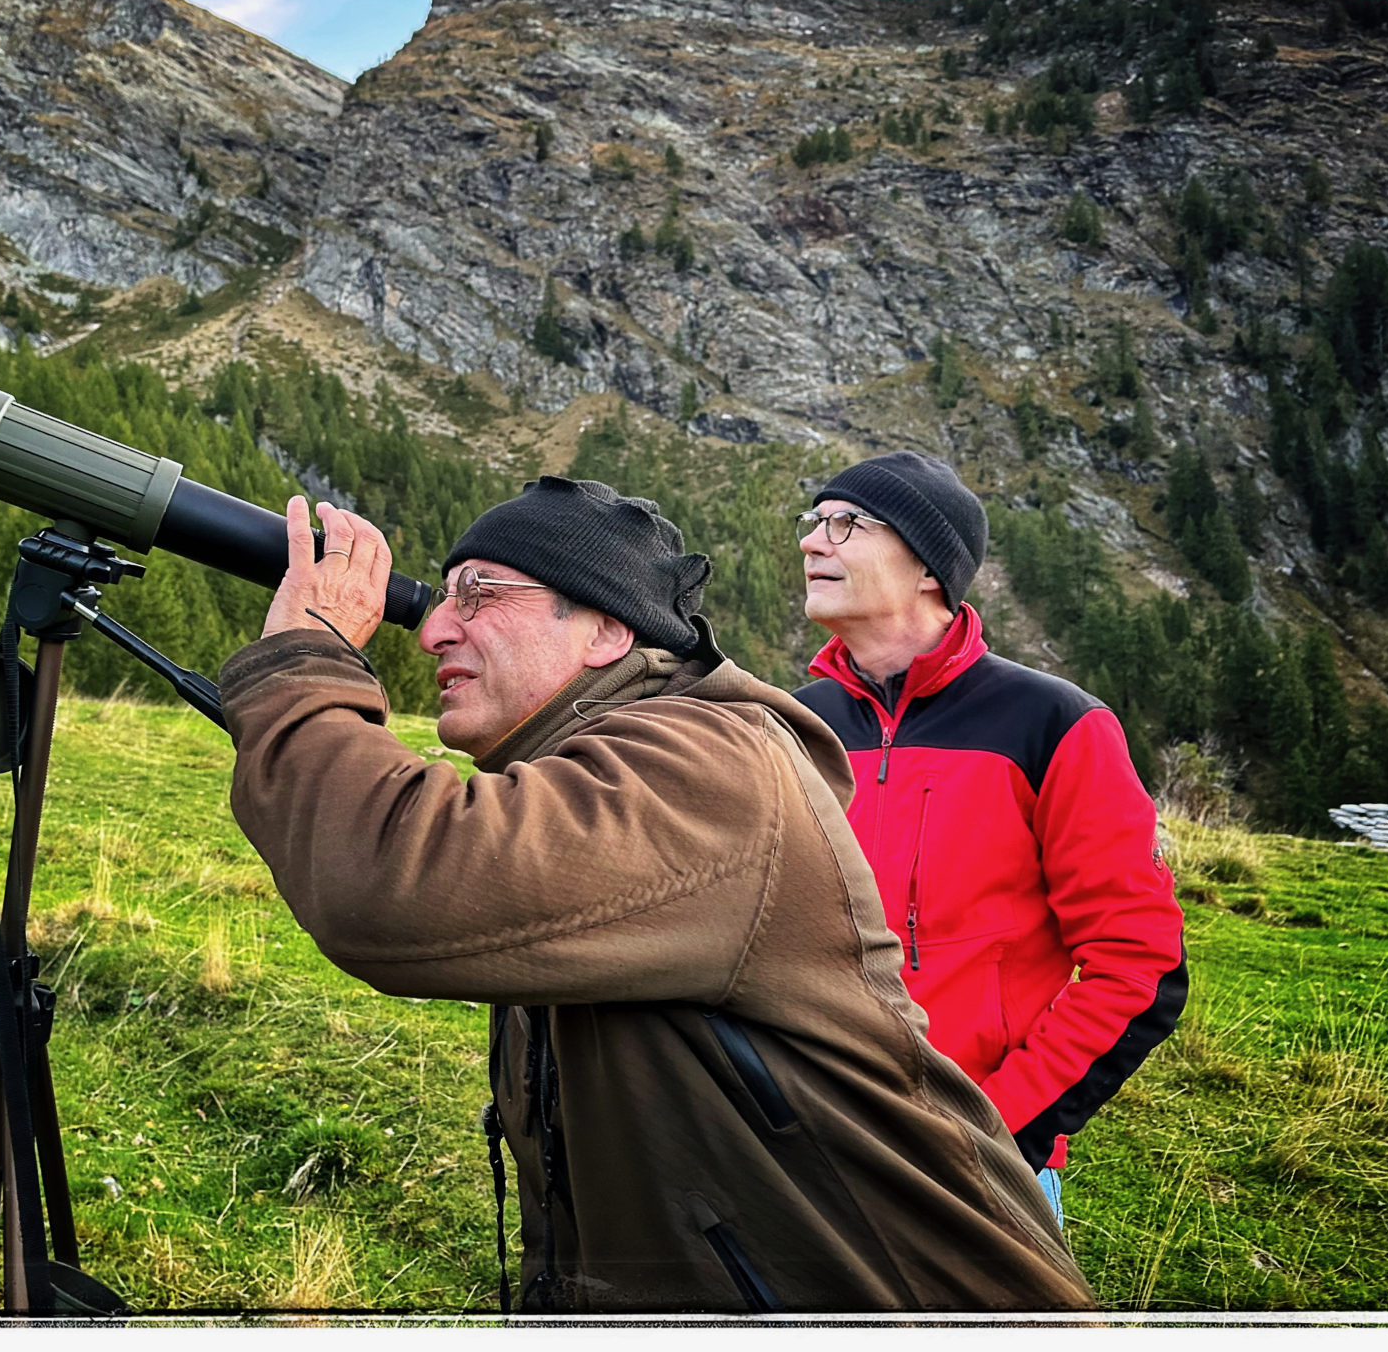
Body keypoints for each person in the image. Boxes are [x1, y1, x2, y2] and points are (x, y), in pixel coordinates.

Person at [217, 476, 1095, 1314]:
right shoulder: (581, 783)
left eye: (478, 594)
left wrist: (308, 653)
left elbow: (390, 884)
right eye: (442, 598)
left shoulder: (711, 767)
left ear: (606, 630)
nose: (431, 631)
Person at [791, 451, 1189, 1226]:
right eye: (814, 522)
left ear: (928, 567)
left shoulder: (1052, 724)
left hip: (978, 1170)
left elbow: (1140, 964)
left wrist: (992, 1128)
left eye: (846, 524)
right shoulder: (796, 725)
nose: (812, 542)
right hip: (809, 1148)